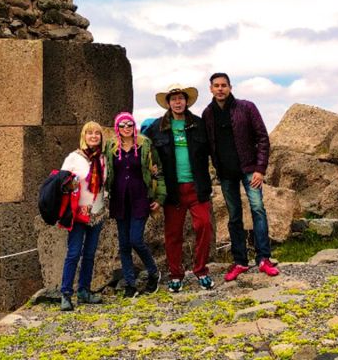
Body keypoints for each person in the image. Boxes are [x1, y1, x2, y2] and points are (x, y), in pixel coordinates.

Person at [202, 72, 280, 281]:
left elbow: (262, 138)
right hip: (226, 174)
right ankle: (240, 261)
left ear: (230, 87)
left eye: (224, 85)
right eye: (216, 85)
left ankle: (264, 258)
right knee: (234, 216)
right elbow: (208, 144)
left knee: (257, 209)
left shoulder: (246, 107)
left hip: (249, 169)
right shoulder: (208, 114)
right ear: (210, 89)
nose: (220, 89)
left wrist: (260, 169)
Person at [142, 84, 214, 292]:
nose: (178, 102)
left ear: (186, 101)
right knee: (173, 234)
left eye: (181, 98)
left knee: (204, 226)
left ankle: (201, 270)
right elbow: (145, 152)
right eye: (173, 99)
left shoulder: (199, 125)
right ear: (168, 103)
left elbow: (213, 149)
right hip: (172, 190)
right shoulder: (157, 127)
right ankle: (176, 274)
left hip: (197, 186)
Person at [105, 111, 166, 297]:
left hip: (140, 197)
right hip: (119, 199)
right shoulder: (111, 147)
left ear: (134, 126)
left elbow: (157, 172)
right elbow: (104, 169)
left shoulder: (145, 145)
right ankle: (130, 284)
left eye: (129, 125)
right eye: (122, 125)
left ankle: (153, 272)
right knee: (123, 244)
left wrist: (159, 198)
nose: (126, 128)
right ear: (117, 127)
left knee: (135, 240)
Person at [59, 121, 108, 310]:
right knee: (73, 253)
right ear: (84, 136)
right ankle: (66, 293)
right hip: (78, 213)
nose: (94, 136)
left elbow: (104, 184)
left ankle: (84, 290)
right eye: (90, 133)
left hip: (96, 212)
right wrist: (72, 185)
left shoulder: (102, 159)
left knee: (89, 254)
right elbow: (61, 183)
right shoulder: (73, 158)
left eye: (97, 133)